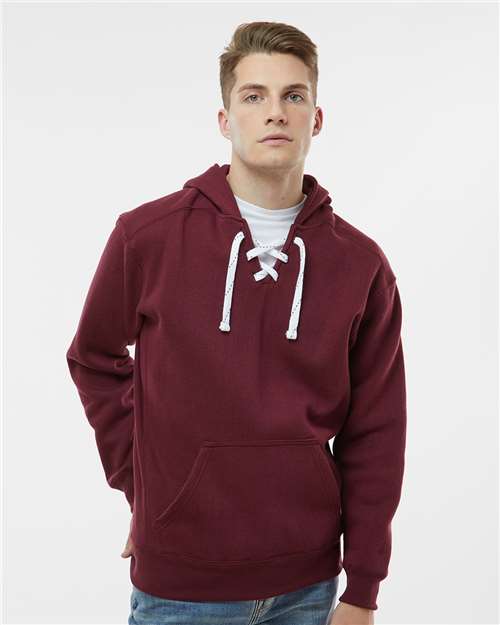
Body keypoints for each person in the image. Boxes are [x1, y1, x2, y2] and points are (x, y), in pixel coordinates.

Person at [66, 20, 406, 625]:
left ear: (316, 119)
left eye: (293, 95)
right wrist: (143, 488)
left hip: (309, 587)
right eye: (254, 96)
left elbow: (376, 431)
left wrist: (363, 588)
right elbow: (93, 358)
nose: (275, 112)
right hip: (179, 587)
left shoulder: (361, 265)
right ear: (225, 120)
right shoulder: (147, 237)